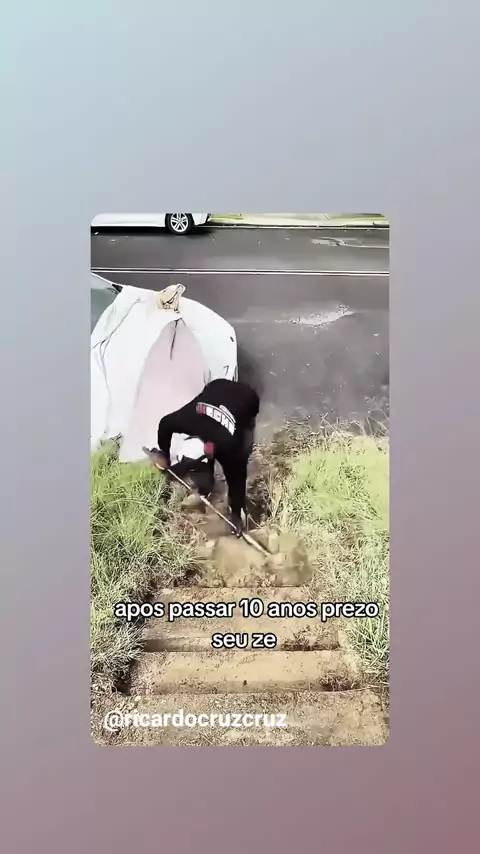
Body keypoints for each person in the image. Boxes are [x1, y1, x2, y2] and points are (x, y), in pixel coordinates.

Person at [153, 378, 260, 536]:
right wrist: (165, 455)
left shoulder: (231, 445)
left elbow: (237, 478)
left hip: (247, 398)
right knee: (221, 457)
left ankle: (239, 508)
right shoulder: (189, 419)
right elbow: (165, 424)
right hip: (216, 387)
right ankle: (206, 483)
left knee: (242, 454)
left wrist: (236, 514)